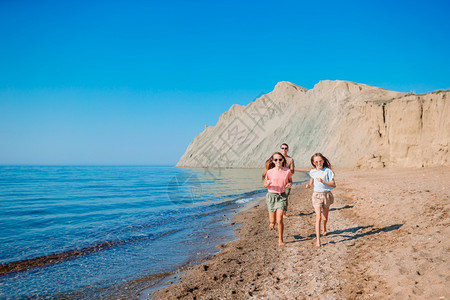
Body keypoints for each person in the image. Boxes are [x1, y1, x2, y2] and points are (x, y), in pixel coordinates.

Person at [305, 153, 336, 248]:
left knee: (324, 218)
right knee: (318, 217)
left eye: (320, 161)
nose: (319, 163)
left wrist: (323, 181)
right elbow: (312, 177)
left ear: (323, 161)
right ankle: (318, 241)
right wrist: (309, 184)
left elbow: (333, 184)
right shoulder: (313, 172)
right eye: (316, 161)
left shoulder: (328, 171)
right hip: (316, 195)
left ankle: (324, 227)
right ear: (313, 163)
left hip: (326, 195)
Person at [262, 152, 293, 246]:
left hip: (281, 196)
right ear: (273, 161)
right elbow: (264, 185)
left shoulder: (287, 171)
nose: (278, 161)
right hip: (271, 196)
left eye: (280, 159)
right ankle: (271, 223)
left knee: (279, 220)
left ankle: (280, 239)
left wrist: (289, 185)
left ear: (283, 160)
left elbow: (290, 181)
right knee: (273, 221)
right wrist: (267, 184)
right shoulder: (269, 172)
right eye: (276, 159)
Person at [280, 143, 294, 218]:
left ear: (287, 149)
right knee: (278, 197)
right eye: (282, 148)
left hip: (287, 181)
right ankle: (279, 212)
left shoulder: (290, 159)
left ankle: (284, 213)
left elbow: (292, 171)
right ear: (280, 149)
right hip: (278, 181)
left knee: (285, 198)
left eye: (285, 148)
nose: (284, 150)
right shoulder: (277, 158)